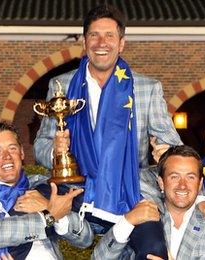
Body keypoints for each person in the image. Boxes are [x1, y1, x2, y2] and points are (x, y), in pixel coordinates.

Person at [33, 4, 186, 259]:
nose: (101, 42)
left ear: (121, 43)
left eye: (109, 36)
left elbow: (173, 148)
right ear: (84, 41)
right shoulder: (62, 85)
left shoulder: (146, 88)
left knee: (154, 250)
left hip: (131, 192)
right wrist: (55, 152)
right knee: (26, 206)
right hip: (76, 190)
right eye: (94, 35)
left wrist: (165, 153)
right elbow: (40, 146)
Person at [93, 145, 205, 259]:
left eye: (190, 177)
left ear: (200, 183)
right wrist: (127, 221)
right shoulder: (141, 217)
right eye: (174, 177)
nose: (182, 185)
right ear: (161, 182)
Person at [0, 122, 92, 259]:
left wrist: (47, 207)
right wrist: (48, 215)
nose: (7, 156)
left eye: (12, 148)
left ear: (22, 153)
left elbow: (85, 238)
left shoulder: (43, 185)